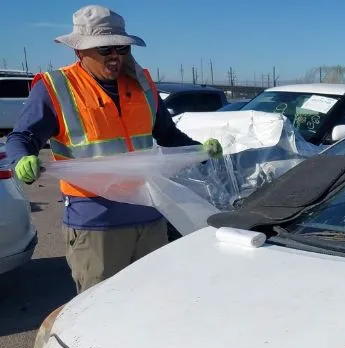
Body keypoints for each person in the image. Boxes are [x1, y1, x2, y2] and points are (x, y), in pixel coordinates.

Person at [4, 5, 223, 293]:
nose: (116, 57)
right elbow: (22, 137)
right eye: (105, 50)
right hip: (96, 221)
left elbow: (167, 134)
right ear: (80, 51)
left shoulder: (142, 84)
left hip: (149, 213)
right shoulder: (55, 88)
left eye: (122, 48)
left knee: (155, 298)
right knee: (99, 307)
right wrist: (23, 158)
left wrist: (200, 151)